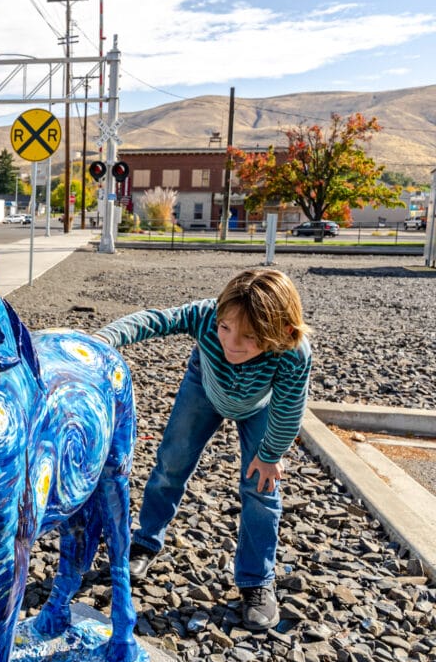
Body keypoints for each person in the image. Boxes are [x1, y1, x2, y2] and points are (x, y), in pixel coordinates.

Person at [94, 268, 311, 631]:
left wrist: (270, 454)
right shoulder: (208, 317)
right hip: (205, 387)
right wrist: (105, 338)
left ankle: (257, 579)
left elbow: (290, 409)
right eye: (226, 328)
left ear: (283, 331)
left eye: (249, 336)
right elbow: (155, 320)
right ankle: (146, 541)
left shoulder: (293, 351)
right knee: (171, 464)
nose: (232, 344)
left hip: (261, 407)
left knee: (261, 488)